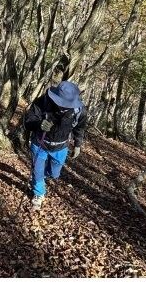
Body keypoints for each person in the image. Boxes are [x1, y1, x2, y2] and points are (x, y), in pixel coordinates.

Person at [23, 80, 87, 210]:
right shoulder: (43, 102)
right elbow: (29, 121)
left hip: (61, 147)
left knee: (54, 174)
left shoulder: (79, 110)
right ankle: (38, 193)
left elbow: (79, 128)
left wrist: (78, 144)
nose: (63, 106)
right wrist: (39, 124)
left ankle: (42, 177)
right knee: (37, 171)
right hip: (40, 143)